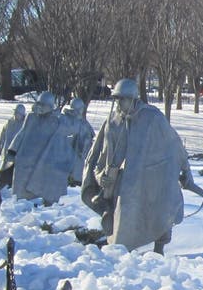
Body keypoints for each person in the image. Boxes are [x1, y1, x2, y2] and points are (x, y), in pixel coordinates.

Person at [81, 78, 192, 253]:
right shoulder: (113, 122)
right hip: (125, 182)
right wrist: (100, 176)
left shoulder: (153, 118)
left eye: (123, 99)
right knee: (123, 221)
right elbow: (102, 155)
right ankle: (121, 253)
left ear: (133, 98)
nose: (119, 103)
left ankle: (158, 249)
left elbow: (174, 145)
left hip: (152, 178)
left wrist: (186, 170)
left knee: (159, 212)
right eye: (116, 99)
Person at [0, 92, 72, 205]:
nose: (40, 107)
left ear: (50, 106)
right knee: (20, 188)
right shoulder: (31, 117)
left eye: (43, 105)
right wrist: (12, 150)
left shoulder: (55, 122)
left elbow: (63, 137)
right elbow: (22, 133)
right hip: (24, 158)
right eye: (39, 104)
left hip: (40, 161)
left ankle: (43, 205)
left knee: (39, 186)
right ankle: (20, 205)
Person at [60, 98, 95, 185]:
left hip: (80, 154)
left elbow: (89, 135)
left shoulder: (82, 122)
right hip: (69, 154)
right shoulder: (67, 120)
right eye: (81, 108)